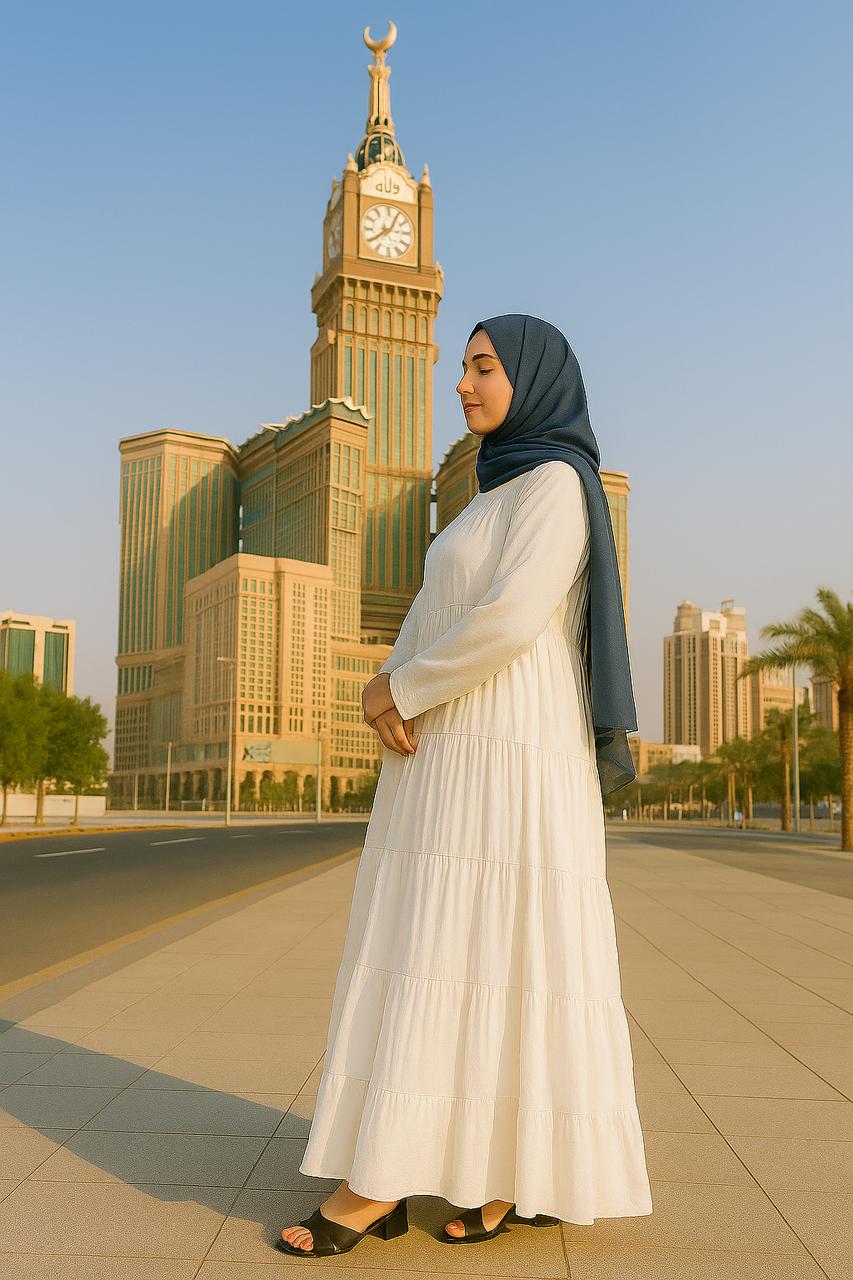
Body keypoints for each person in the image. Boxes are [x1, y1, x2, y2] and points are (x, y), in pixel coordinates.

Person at [277, 314, 653, 1258]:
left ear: (531, 376)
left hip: (509, 755)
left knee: (476, 947)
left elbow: (513, 616)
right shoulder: (491, 493)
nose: (463, 383)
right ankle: (509, 1173)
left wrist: (398, 686)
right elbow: (435, 609)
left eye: (483, 367)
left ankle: (375, 1188)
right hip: (451, 753)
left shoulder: (557, 485)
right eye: (463, 369)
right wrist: (391, 695)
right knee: (448, 945)